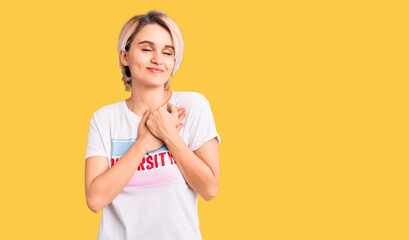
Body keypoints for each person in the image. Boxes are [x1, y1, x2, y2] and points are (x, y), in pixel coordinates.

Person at [84, 10, 221, 240]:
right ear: (125, 56)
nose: (158, 59)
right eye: (147, 49)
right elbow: (95, 200)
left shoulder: (192, 105)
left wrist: (169, 134)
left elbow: (209, 188)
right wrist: (142, 145)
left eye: (167, 52)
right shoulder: (103, 119)